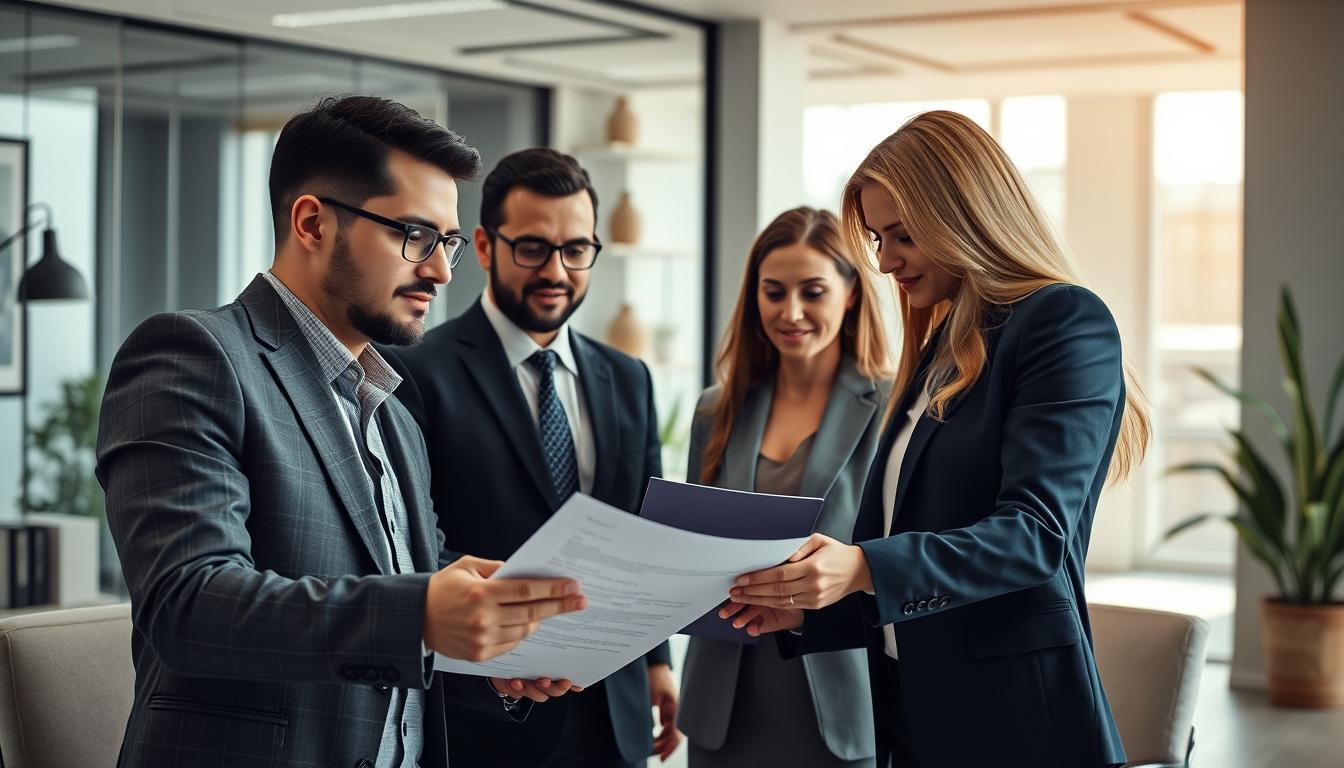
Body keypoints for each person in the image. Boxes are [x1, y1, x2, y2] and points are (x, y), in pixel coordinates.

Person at [96, 96, 587, 768]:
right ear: (312, 223)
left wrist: (491, 650)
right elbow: (187, 604)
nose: (441, 271)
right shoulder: (194, 356)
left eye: (447, 243)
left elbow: (391, 627)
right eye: (414, 235)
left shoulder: (395, 412)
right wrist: (423, 613)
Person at [725, 110, 1151, 768]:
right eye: (877, 238)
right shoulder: (947, 345)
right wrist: (814, 610)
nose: (884, 261)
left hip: (1016, 724)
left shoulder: (1063, 320)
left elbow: (1033, 537)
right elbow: (922, 546)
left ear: (967, 215)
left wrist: (861, 567)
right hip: (916, 714)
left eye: (903, 235)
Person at [384, 147, 680, 768]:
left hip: (613, 710)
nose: (556, 270)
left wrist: (658, 663)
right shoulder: (413, 372)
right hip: (486, 712)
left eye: (576, 250)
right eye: (533, 248)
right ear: (485, 247)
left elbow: (644, 528)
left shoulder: (629, 377)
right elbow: (410, 544)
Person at [677, 206, 893, 768]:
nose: (790, 312)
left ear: (851, 294)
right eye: (773, 292)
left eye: (812, 292)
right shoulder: (715, 410)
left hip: (842, 699)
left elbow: (901, 558)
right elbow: (690, 546)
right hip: (723, 703)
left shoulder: (893, 409)